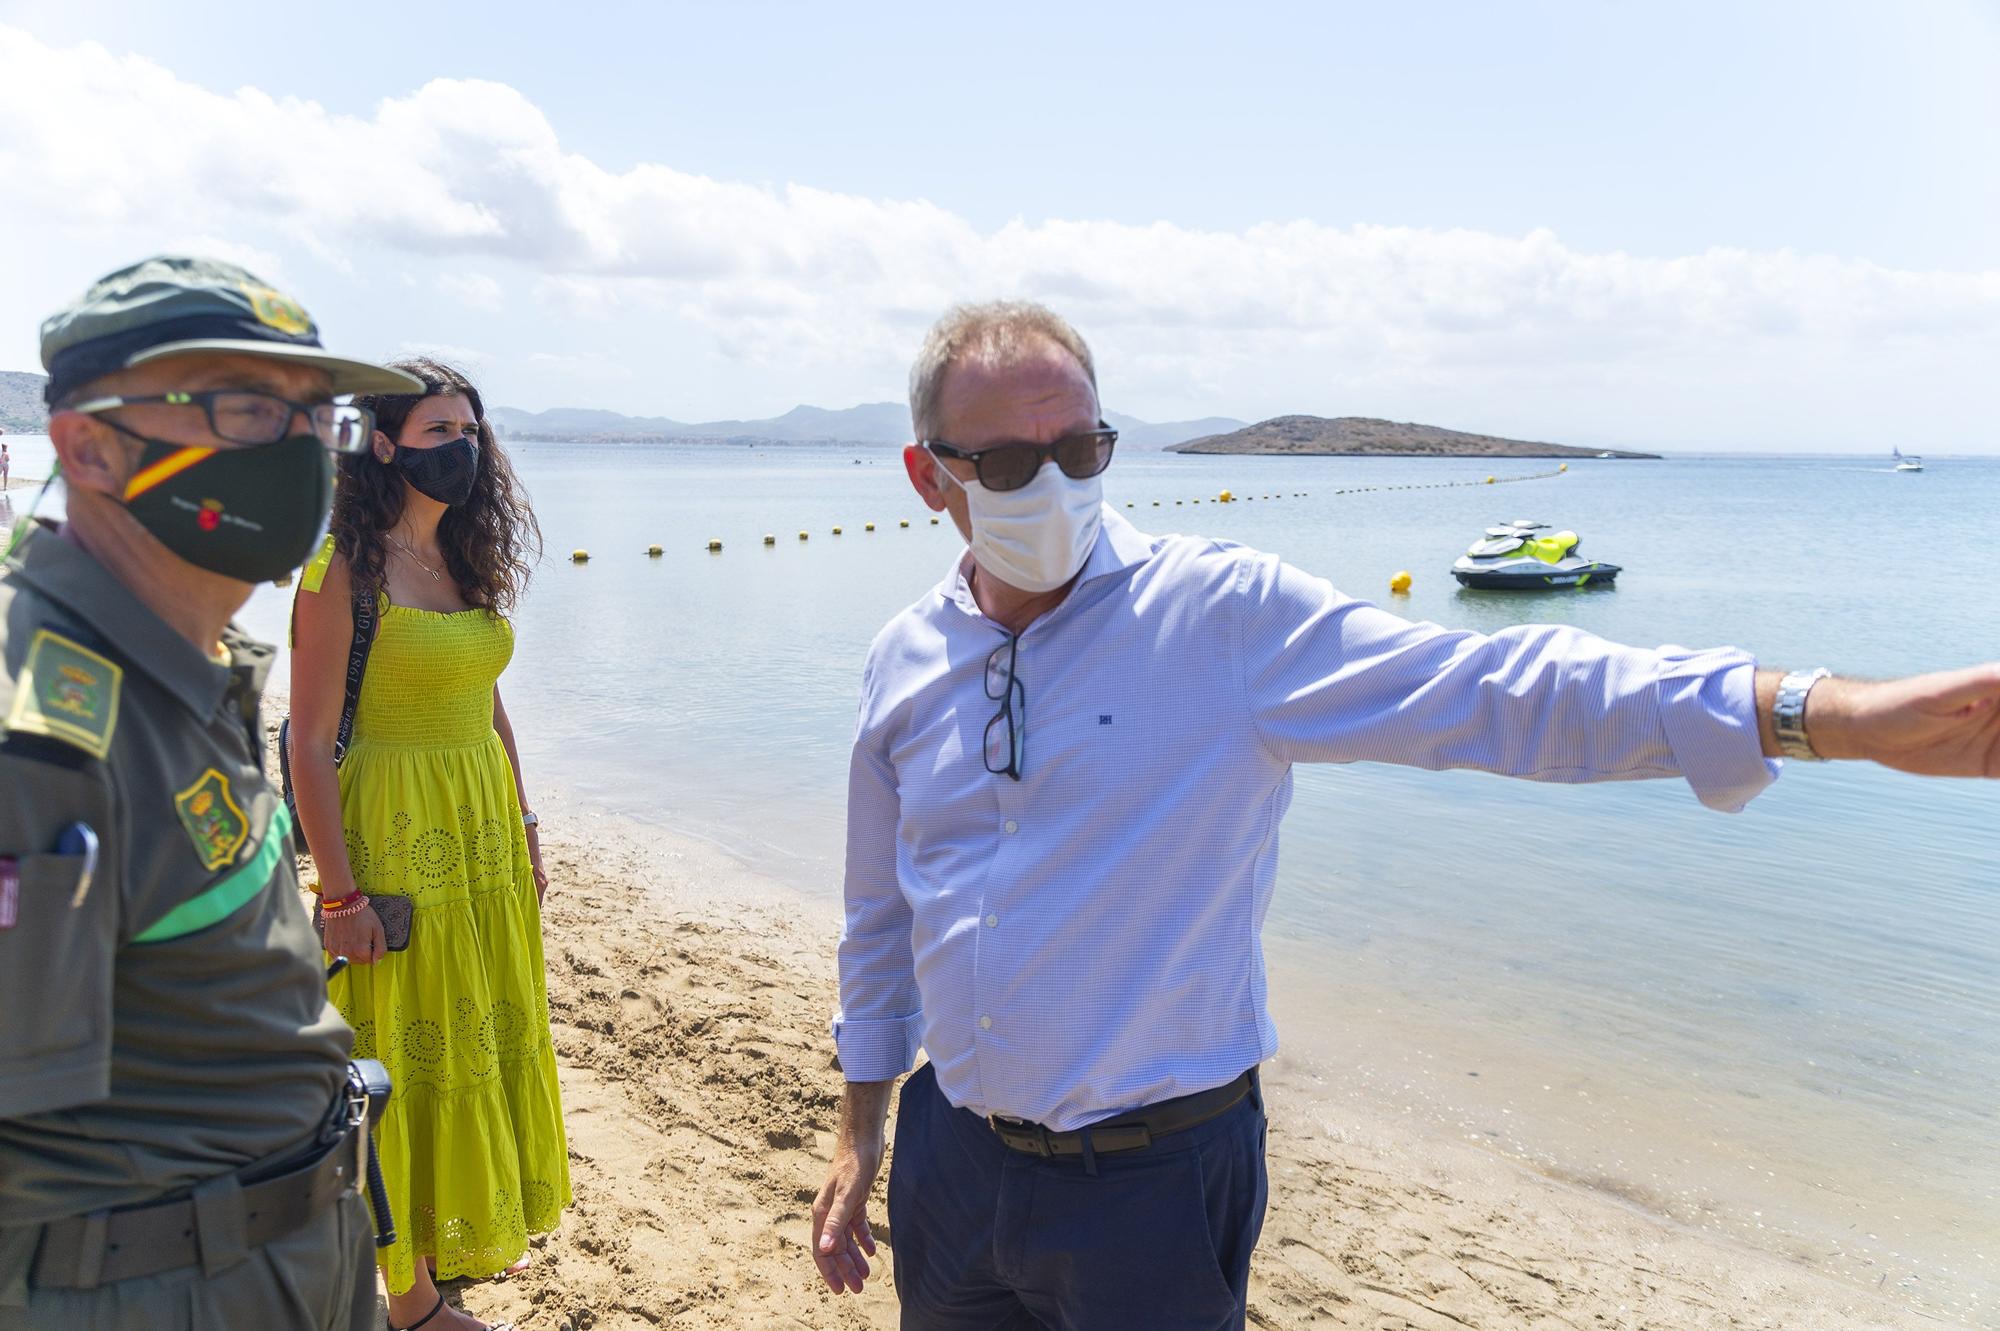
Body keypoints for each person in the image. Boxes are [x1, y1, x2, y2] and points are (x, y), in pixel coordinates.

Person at [810, 301, 2000, 1329]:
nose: (1057, 487)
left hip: (1152, 1181)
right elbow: (879, 916)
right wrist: (861, 1132)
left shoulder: (1221, 619)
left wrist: (1814, 710)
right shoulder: (903, 659)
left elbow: (1492, 691)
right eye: (1012, 467)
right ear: (930, 476)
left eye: (1082, 449)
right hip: (954, 1159)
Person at [0, 255, 423, 1330]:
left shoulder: (178, 657)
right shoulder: (37, 737)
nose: (292, 450)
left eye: (310, 416)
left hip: (284, 1257)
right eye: (242, 410)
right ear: (90, 444)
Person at [288, 359, 564, 1331]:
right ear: (384, 443)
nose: (462, 450)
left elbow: (487, 703)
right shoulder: (339, 568)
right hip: (394, 836)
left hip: (480, 840)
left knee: (472, 1042)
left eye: (470, 433)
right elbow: (306, 740)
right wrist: (337, 892)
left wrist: (525, 826)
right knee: (400, 1059)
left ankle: (437, 1262)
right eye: (439, 432)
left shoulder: (466, 556)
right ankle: (408, 1297)